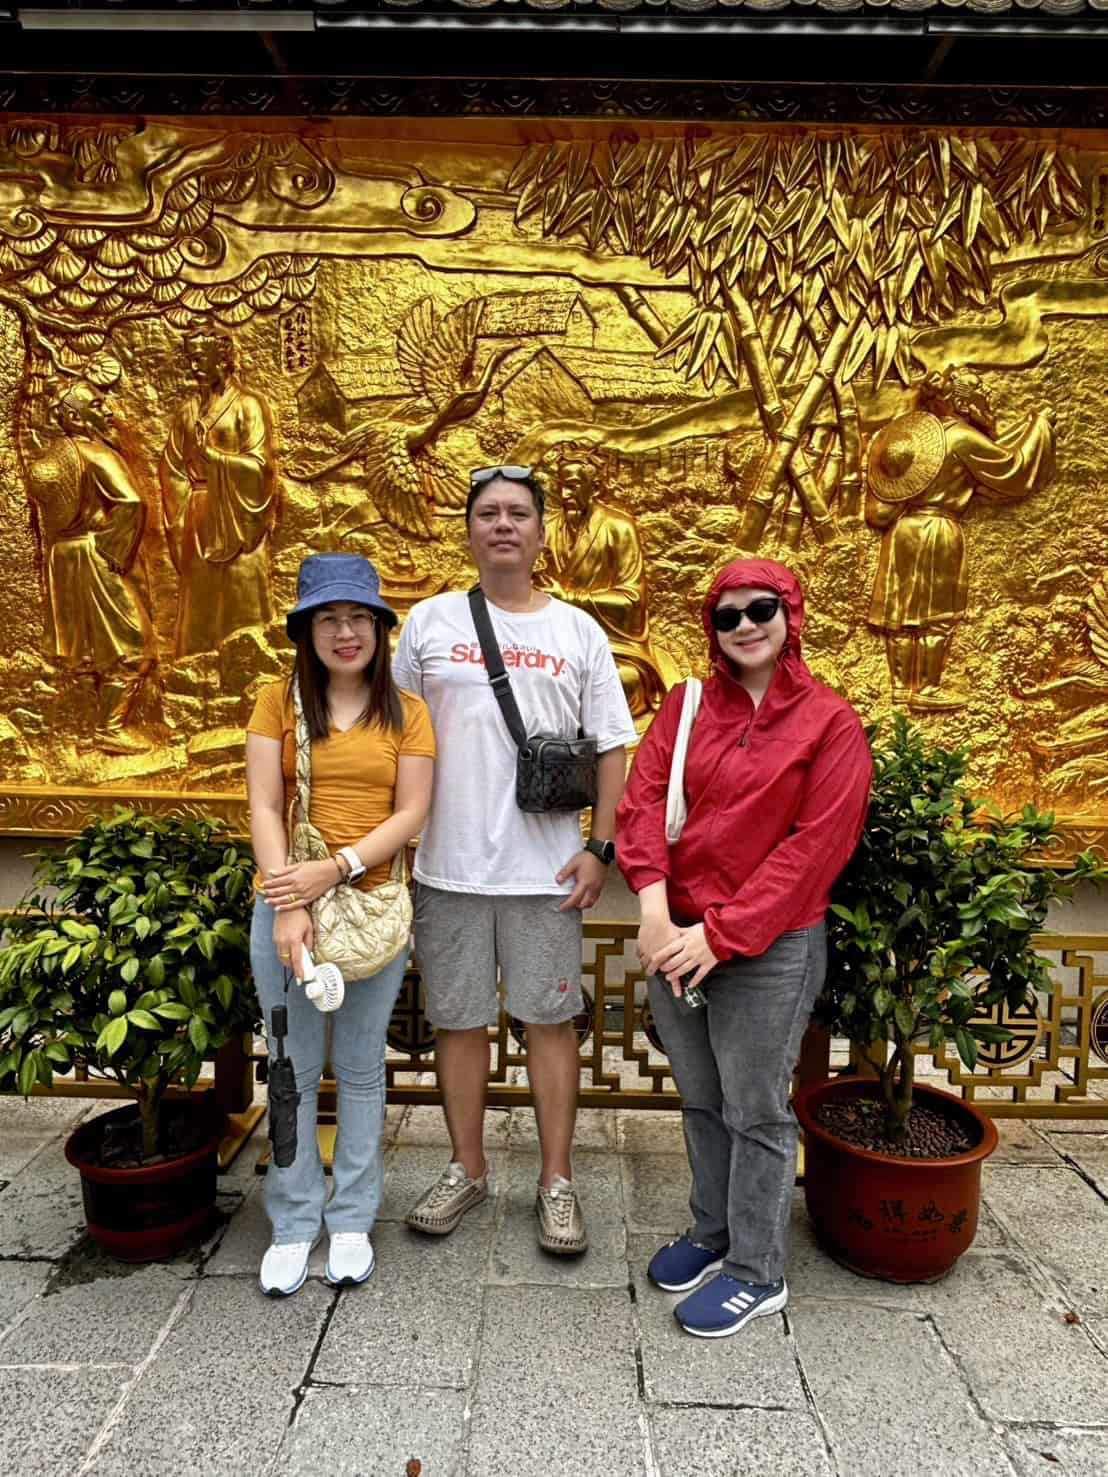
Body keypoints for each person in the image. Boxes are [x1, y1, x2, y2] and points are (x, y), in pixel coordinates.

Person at [615, 558, 871, 1338]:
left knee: (755, 1107)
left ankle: (758, 1270)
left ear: (791, 614)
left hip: (768, 948)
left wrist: (719, 935)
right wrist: (653, 911)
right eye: (726, 615)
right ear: (711, 628)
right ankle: (713, 1228)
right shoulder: (687, 705)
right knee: (701, 1095)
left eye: (761, 608)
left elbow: (813, 850)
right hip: (675, 936)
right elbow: (642, 801)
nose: (745, 626)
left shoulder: (830, 723)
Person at [392, 465, 636, 1255]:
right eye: (489, 513)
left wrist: (599, 847)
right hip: (447, 866)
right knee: (457, 1022)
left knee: (550, 1024)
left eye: (518, 514)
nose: (503, 524)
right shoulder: (427, 624)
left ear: (540, 533)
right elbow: (393, 734)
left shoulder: (578, 632)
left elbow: (612, 745)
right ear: (469, 531)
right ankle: (466, 1167)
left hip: (547, 873)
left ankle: (556, 1180)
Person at [245, 552, 435, 1297]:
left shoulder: (407, 711)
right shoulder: (277, 701)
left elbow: (412, 811)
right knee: (290, 1070)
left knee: (359, 1069)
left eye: (359, 617)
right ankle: (293, 1218)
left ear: (381, 628)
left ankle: (352, 1215)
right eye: (329, 618)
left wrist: (339, 867)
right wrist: (289, 901)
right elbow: (265, 805)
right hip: (285, 913)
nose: (346, 632)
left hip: (372, 912)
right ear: (306, 630)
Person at [866, 366, 1055, 710]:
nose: (986, 395)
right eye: (980, 390)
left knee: (902, 613)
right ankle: (926, 688)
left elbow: (882, 504)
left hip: (902, 531)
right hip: (937, 530)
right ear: (964, 402)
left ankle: (899, 688)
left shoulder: (914, 438)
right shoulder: (961, 438)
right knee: (936, 614)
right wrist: (1040, 425)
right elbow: (1012, 468)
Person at [27, 380, 155, 752]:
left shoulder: (54, 455)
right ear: (73, 417)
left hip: (63, 556)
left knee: (87, 648)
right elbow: (132, 503)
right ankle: (109, 728)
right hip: (93, 554)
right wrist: (114, 553)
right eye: (96, 406)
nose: (107, 411)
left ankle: (87, 728)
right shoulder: (96, 454)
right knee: (132, 643)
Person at [161, 330, 278, 657]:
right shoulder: (187, 412)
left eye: (200, 358)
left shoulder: (247, 406)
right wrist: (180, 518)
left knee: (243, 596)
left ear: (222, 359)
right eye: (190, 359)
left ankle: (249, 661)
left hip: (239, 516)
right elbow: (170, 468)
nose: (194, 366)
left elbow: (261, 467)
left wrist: (213, 458)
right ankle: (193, 669)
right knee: (200, 600)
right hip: (197, 515)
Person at [536, 447, 668, 720]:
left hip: (612, 645)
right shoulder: (547, 530)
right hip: (556, 645)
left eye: (573, 486)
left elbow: (632, 600)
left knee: (623, 682)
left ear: (594, 488)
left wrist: (568, 599)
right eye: (561, 486)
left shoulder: (619, 528)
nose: (565, 495)